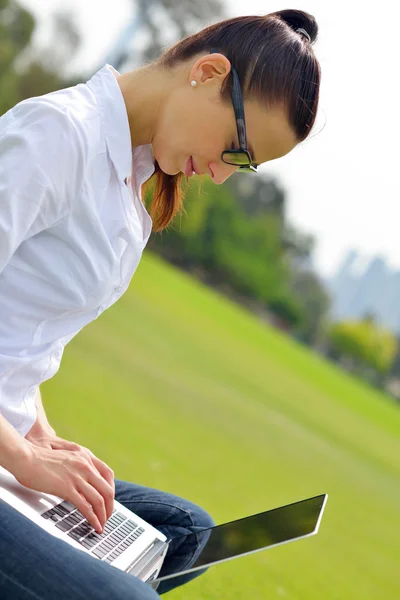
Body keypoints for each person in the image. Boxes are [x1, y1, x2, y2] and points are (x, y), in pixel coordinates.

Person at [0, 8, 321, 600]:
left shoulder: (132, 179)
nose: (223, 177)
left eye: (243, 166)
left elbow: (22, 327)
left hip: (14, 444)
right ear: (207, 72)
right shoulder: (58, 136)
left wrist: (42, 434)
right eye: (237, 148)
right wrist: (21, 454)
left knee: (187, 533)